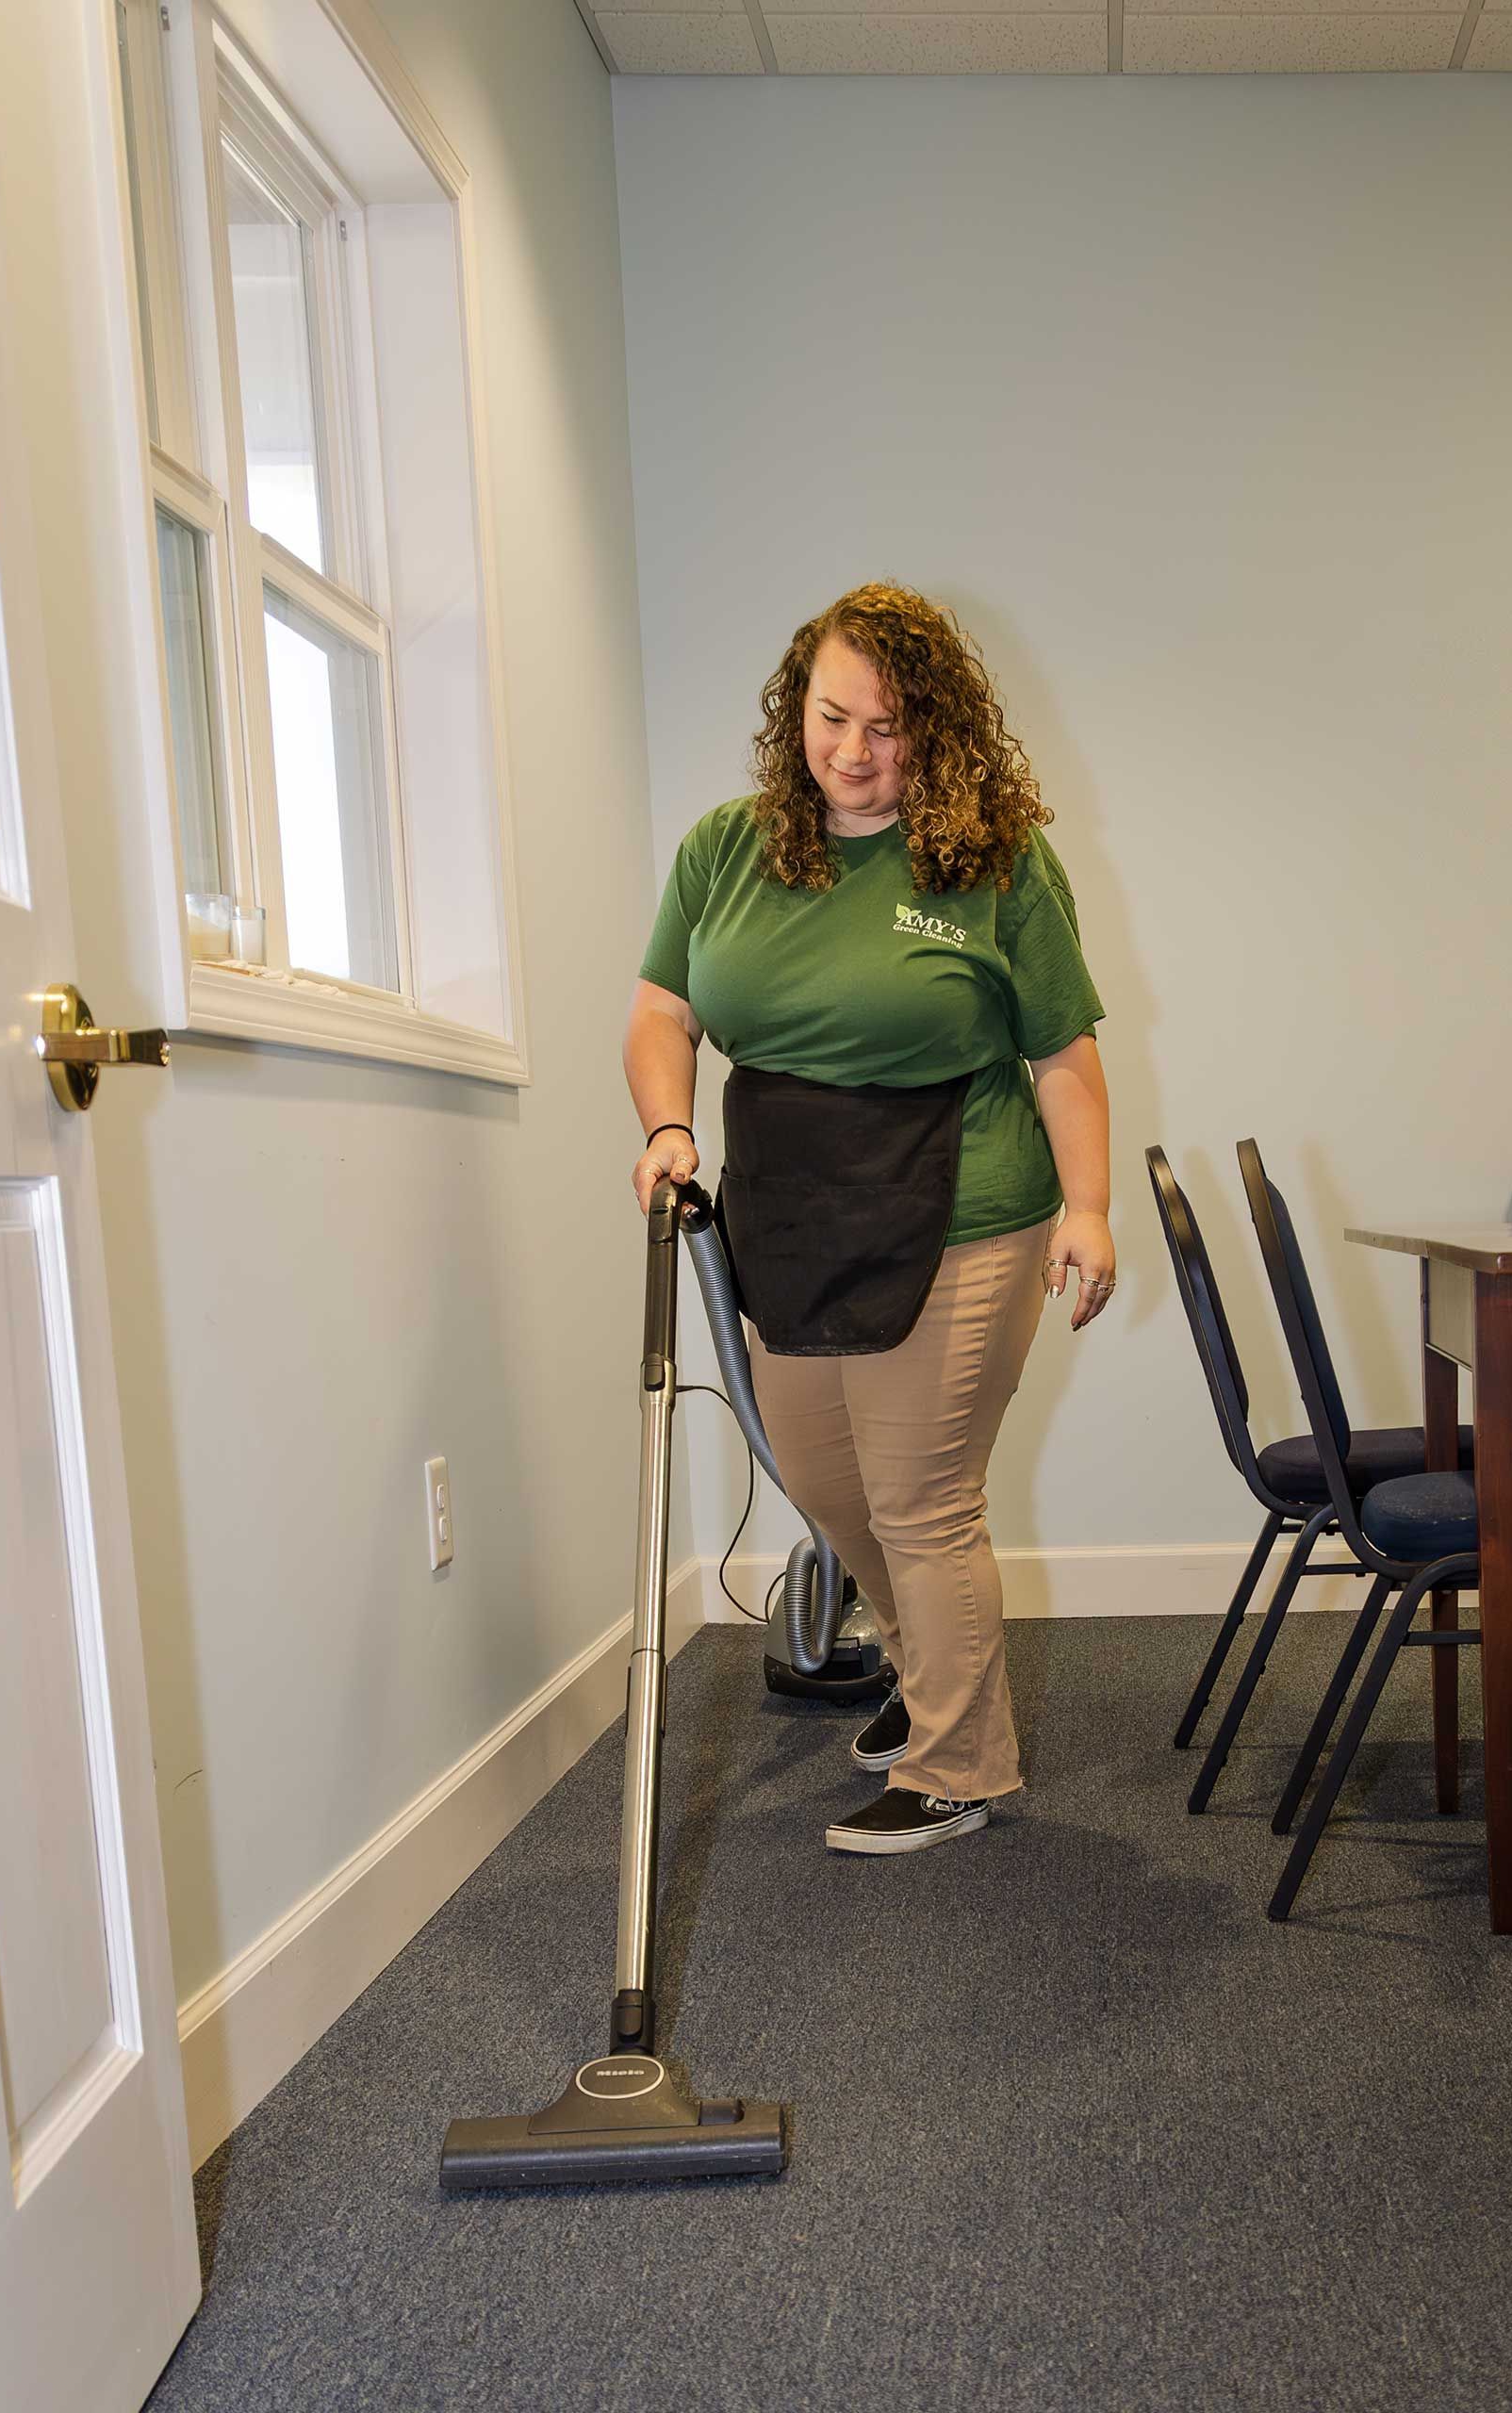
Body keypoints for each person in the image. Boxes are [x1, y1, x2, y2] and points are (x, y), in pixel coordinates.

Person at [624, 582, 1112, 1855]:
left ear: (935, 732)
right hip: (787, 1207)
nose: (851, 751)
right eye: (831, 717)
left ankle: (959, 1767)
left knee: (922, 1497)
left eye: (886, 727)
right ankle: (930, 1682)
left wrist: (1091, 1207)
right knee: (830, 1484)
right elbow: (661, 1014)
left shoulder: (997, 857)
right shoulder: (726, 849)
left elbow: (1063, 1048)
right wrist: (668, 1127)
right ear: (799, 712)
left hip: (964, 1201)